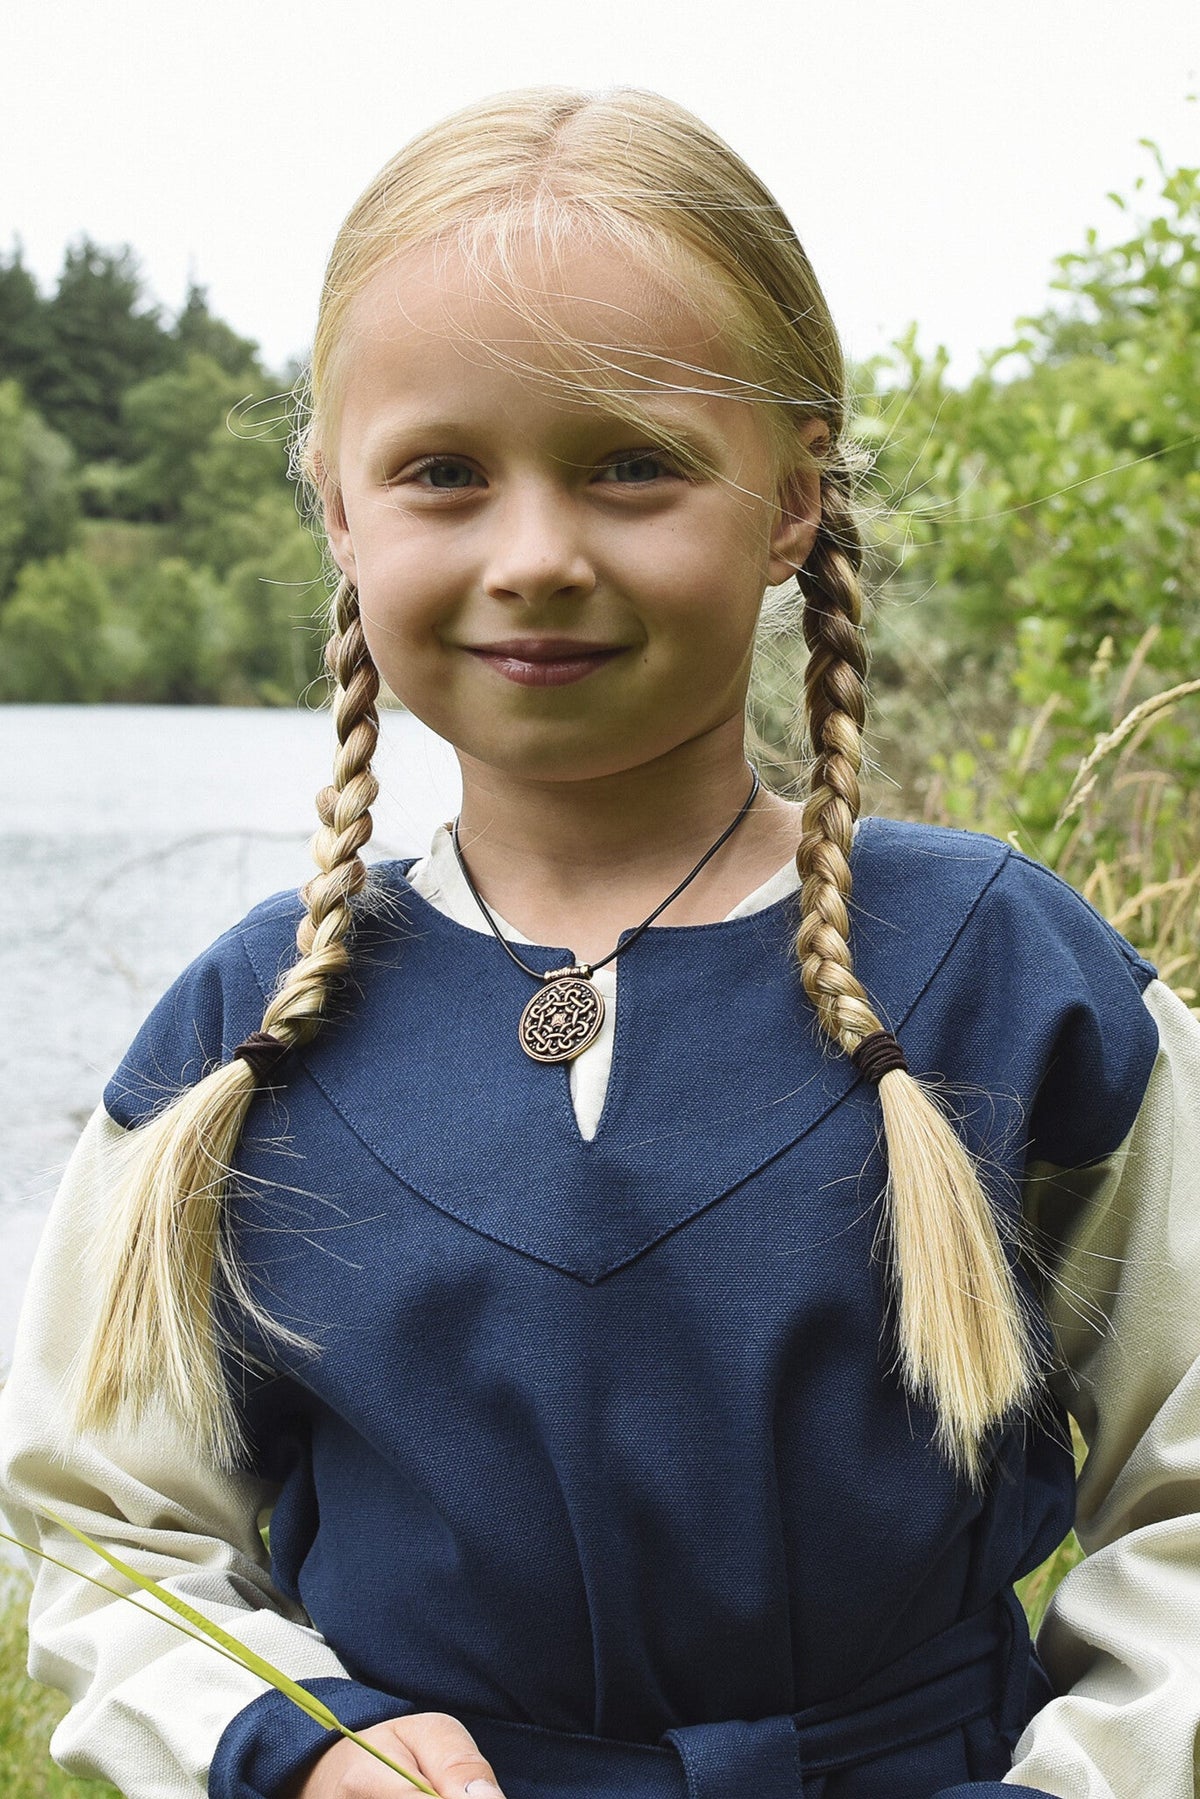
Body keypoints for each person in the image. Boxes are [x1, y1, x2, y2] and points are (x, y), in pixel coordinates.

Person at [2, 85, 1199, 1799]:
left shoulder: (1007, 980)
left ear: (791, 501)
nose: (537, 556)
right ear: (341, 513)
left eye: (632, 466)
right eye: (442, 476)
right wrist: (292, 1742)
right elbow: (105, 1523)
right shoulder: (246, 1033)